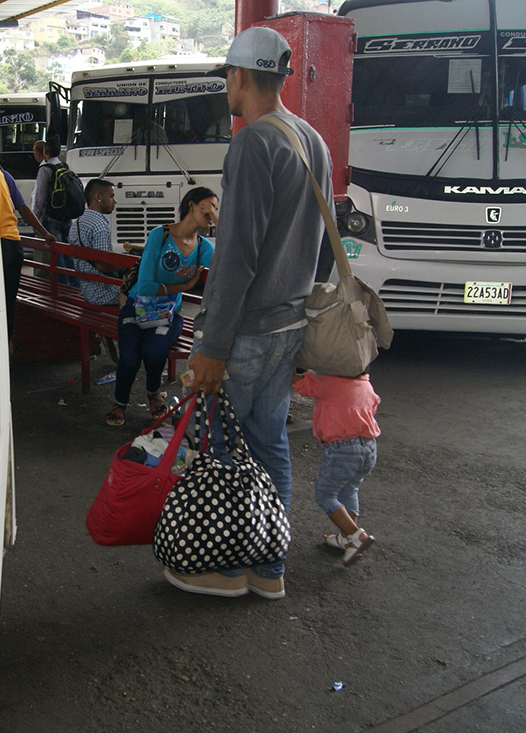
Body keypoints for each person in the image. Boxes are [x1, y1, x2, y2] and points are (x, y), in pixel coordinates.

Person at [171, 27, 334, 600]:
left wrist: (211, 345)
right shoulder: (312, 140)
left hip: (244, 334)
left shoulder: (251, 144)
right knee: (269, 446)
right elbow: (318, 245)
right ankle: (270, 571)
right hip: (289, 327)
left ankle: (227, 570)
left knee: (220, 450)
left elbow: (236, 256)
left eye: (226, 76)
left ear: (239, 76)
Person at [106, 187, 217, 427]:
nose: (212, 213)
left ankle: (153, 392)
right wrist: (186, 284)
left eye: (217, 209)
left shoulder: (203, 247)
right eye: (207, 207)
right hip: (137, 306)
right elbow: (145, 286)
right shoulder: (161, 235)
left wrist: (219, 221)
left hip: (169, 313)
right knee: (129, 358)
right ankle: (120, 401)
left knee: (154, 351)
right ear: (191, 205)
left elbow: (227, 268)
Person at [292, 369, 380, 565]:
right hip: (369, 447)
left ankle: (356, 536)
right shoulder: (365, 382)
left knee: (325, 495)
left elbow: (297, 383)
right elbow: (374, 404)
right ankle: (346, 539)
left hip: (343, 449)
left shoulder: (328, 381)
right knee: (349, 489)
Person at [0, 161, 55, 338]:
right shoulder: (4, 175)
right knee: (8, 302)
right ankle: (7, 347)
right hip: (13, 244)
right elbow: (23, 208)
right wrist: (44, 233)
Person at [31, 136, 77, 284]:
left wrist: (35, 219)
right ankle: (74, 284)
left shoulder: (45, 170)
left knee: (56, 253)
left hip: (51, 218)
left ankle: (62, 285)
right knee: (67, 252)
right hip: (66, 216)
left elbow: (40, 198)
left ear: (45, 151)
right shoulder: (64, 166)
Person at [71, 178, 121, 306]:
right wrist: (130, 265)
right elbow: (103, 265)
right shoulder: (100, 226)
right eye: (111, 196)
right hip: (104, 294)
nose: (114, 201)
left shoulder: (79, 221)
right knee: (154, 294)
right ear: (98, 197)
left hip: (86, 289)